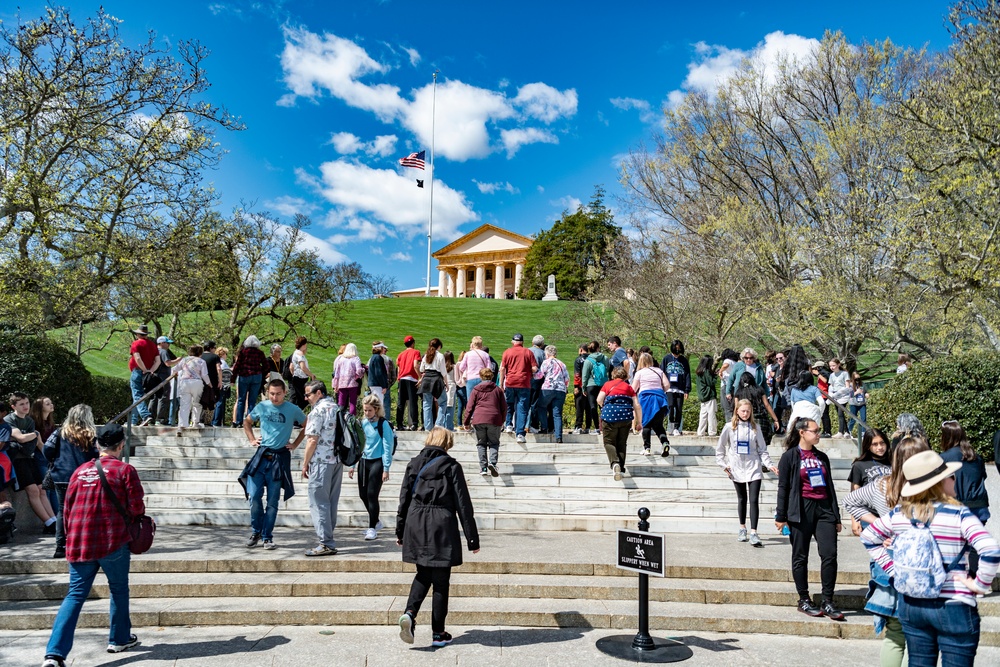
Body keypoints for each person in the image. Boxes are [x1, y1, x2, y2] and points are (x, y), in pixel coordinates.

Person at [861, 450, 999, 667]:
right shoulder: (959, 515)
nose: (955, 480)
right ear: (940, 482)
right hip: (953, 604)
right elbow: (991, 550)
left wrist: (893, 571)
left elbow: (869, 537)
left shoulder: (899, 513)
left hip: (912, 603)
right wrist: (980, 584)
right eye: (951, 476)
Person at [41, 424, 144, 667]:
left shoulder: (79, 472)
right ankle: (118, 638)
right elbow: (137, 508)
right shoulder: (125, 471)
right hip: (112, 539)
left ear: (97, 445)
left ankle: (54, 654)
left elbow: (67, 508)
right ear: (121, 446)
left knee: (75, 594)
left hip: (80, 542)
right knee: (118, 589)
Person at [843, 436, 929, 667]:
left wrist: (880, 524)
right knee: (923, 636)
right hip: (922, 565)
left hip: (888, 562)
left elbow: (850, 501)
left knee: (895, 634)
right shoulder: (931, 488)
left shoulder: (883, 484)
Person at [396, 427, 479, 648]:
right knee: (441, 580)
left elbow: (403, 497)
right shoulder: (452, 466)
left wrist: (399, 529)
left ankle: (410, 613)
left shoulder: (414, 463)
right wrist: (472, 538)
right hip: (441, 524)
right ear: (447, 443)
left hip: (415, 521)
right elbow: (463, 503)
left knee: (423, 573)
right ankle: (438, 633)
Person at [774, 417, 845, 621]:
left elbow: (829, 486)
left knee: (829, 554)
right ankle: (804, 599)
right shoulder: (789, 457)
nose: (818, 434)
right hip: (800, 509)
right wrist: (781, 516)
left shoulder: (822, 457)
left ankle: (828, 600)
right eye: (814, 431)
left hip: (824, 509)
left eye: (818, 430)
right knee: (800, 556)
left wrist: (836, 516)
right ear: (802, 433)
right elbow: (783, 488)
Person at [239, 379, 306, 550]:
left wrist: (295, 444)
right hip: (261, 456)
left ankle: (267, 536)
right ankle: (256, 531)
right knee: (253, 496)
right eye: (272, 394)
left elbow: (307, 425)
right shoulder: (262, 406)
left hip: (279, 458)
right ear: (268, 393)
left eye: (278, 394)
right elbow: (247, 422)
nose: (275, 397)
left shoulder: (293, 409)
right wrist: (252, 439)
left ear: (284, 393)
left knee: (272, 501)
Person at [716, 399, 778, 547]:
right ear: (737, 411)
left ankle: (754, 532)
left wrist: (769, 465)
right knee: (742, 498)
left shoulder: (755, 427)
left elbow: (762, 449)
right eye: (743, 411)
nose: (745, 413)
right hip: (736, 469)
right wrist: (724, 465)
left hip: (753, 467)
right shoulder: (729, 427)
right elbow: (720, 450)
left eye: (748, 411)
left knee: (754, 499)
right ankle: (742, 527)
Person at [43, 405, 99, 560]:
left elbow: (47, 449)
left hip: (61, 476)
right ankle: (82, 544)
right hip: (84, 477)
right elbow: (97, 455)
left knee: (62, 511)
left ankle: (60, 546)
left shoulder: (60, 432)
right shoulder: (91, 435)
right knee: (85, 511)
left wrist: (56, 461)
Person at [939, 420, 991, 578]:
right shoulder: (976, 456)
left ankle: (957, 579)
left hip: (957, 507)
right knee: (975, 544)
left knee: (955, 545)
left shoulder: (944, 458)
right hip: (980, 506)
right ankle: (974, 578)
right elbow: (983, 476)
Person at [300, 380, 343, 557]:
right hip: (337, 460)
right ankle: (328, 538)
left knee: (318, 502)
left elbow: (312, 439)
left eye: (309, 394)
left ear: (319, 393)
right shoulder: (337, 407)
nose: (306, 397)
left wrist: (305, 463)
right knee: (331, 501)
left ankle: (326, 542)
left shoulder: (318, 410)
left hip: (320, 461)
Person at [5, 392, 57, 532]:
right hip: (17, 461)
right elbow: (21, 438)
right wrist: (34, 434)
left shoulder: (29, 421)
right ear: (13, 406)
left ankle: (55, 521)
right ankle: (48, 523)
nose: (25, 406)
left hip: (29, 458)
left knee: (42, 489)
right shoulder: (9, 420)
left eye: (27, 403)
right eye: (21, 404)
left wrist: (28, 439)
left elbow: (30, 445)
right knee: (33, 490)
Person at [349, 394, 393, 541]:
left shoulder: (383, 424)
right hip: (364, 461)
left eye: (370, 410)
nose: (367, 413)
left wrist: (386, 468)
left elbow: (388, 446)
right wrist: (353, 465)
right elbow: (359, 445)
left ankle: (372, 528)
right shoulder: (363, 423)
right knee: (363, 495)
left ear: (376, 409)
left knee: (372, 495)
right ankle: (376, 521)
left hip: (378, 462)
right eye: (365, 410)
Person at [597, 366, 640, 481]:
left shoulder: (607, 385)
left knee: (609, 442)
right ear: (625, 376)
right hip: (625, 418)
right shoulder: (629, 388)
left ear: (613, 375)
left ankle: (615, 463)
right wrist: (639, 422)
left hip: (609, 417)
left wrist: (604, 407)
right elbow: (637, 405)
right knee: (621, 443)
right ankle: (621, 468)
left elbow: (599, 399)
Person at [464, 368, 507, 476]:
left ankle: (483, 468)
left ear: (481, 376)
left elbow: (469, 407)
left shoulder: (476, 389)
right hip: (494, 419)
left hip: (479, 419)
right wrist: (502, 420)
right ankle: (492, 463)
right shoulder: (497, 390)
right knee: (494, 442)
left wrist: (466, 422)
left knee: (481, 443)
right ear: (492, 376)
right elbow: (504, 407)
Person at [499, 333, 538, 444]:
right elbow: (534, 368)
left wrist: (501, 384)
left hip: (510, 382)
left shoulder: (507, 352)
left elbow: (502, 369)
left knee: (509, 404)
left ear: (513, 342)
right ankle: (520, 433)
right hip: (524, 383)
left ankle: (508, 425)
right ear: (522, 342)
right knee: (522, 408)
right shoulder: (528, 352)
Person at [630, 353, 671, 456]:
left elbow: (633, 389)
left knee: (646, 424)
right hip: (660, 399)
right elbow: (667, 385)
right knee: (658, 425)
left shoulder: (639, 373)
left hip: (646, 399)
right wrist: (660, 389)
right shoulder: (659, 371)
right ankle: (665, 442)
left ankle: (647, 448)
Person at [127, 324, 160, 426]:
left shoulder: (136, 344)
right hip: (148, 373)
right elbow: (158, 361)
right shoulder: (153, 345)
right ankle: (132, 421)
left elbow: (137, 358)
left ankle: (146, 416)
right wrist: (150, 371)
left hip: (138, 371)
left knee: (137, 395)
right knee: (137, 396)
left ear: (138, 334)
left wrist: (144, 369)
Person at [30, 396, 59, 512]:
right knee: (46, 489)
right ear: (40, 407)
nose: (51, 405)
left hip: (49, 458)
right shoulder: (34, 423)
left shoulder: (50, 423)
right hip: (40, 458)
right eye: (47, 404)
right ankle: (51, 520)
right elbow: (39, 444)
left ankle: (57, 518)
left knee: (53, 488)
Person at [536, 345, 569, 443]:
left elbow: (539, 375)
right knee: (557, 413)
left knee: (541, 406)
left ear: (547, 353)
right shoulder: (562, 364)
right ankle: (558, 436)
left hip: (548, 388)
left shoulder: (546, 362)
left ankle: (544, 427)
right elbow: (566, 379)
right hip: (560, 389)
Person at [174, 344, 210, 435]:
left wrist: (176, 374)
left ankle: (181, 425)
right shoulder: (201, 361)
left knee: (184, 404)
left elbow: (174, 369)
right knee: (197, 403)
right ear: (200, 352)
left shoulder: (184, 360)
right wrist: (209, 384)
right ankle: (195, 422)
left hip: (184, 382)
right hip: (197, 382)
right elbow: (204, 375)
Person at [231, 336, 266, 428]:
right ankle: (249, 421)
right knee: (252, 401)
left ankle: (238, 421)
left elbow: (237, 366)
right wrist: (260, 371)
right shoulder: (260, 353)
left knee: (241, 400)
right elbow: (266, 365)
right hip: (256, 377)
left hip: (244, 375)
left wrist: (233, 379)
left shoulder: (243, 352)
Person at [661, 340, 691, 436]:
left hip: (680, 388)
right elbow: (662, 372)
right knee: (670, 406)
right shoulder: (667, 358)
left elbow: (687, 374)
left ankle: (676, 428)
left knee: (678, 408)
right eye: (676, 347)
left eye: (679, 347)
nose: (677, 349)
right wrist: (662, 386)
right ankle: (671, 424)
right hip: (669, 387)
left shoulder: (684, 360)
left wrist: (687, 389)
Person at [147, 336, 178, 426]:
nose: (169, 345)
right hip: (163, 378)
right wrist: (178, 360)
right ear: (161, 343)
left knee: (154, 397)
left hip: (154, 377)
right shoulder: (164, 351)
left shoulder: (153, 351)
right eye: (167, 343)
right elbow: (168, 363)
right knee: (163, 397)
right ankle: (160, 419)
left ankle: (150, 418)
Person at [418, 338, 448, 430]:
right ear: (439, 346)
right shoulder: (440, 356)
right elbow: (443, 371)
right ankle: (438, 423)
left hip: (427, 378)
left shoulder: (426, 355)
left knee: (426, 404)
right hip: (437, 379)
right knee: (443, 402)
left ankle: (428, 427)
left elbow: (421, 369)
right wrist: (446, 383)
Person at [581, 341, 609, 435]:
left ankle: (597, 428)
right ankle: (605, 426)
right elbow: (608, 369)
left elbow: (585, 375)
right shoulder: (605, 358)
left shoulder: (588, 360)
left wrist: (583, 388)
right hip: (603, 385)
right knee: (603, 406)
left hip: (591, 385)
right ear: (598, 348)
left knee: (592, 406)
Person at [396, 336, 422, 430]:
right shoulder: (416, 352)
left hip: (402, 378)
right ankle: (414, 423)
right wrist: (420, 376)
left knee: (401, 402)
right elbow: (415, 365)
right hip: (412, 379)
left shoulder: (401, 354)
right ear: (413, 343)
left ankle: (399, 424)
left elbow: (398, 368)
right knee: (413, 402)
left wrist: (399, 379)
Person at [333, 342, 365, 415]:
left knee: (341, 403)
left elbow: (336, 373)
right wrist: (363, 370)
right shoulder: (356, 359)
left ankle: (339, 418)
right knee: (352, 403)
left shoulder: (340, 359)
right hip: (353, 384)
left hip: (341, 383)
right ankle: (352, 420)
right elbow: (359, 371)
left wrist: (335, 385)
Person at [200, 341, 224, 427]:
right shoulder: (215, 357)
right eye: (214, 348)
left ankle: (198, 419)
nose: (215, 349)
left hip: (200, 381)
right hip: (212, 382)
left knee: (200, 401)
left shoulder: (200, 356)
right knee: (211, 401)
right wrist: (220, 381)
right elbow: (219, 369)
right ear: (210, 348)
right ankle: (207, 421)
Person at [288, 337, 316, 410]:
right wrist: (311, 375)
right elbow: (303, 367)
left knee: (300, 399)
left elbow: (291, 367)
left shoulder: (295, 352)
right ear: (304, 344)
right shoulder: (300, 354)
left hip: (297, 378)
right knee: (304, 400)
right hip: (301, 379)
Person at [695, 355, 718, 438]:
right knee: (711, 414)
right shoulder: (707, 371)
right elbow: (711, 382)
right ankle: (712, 431)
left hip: (702, 395)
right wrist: (716, 375)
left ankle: (700, 431)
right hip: (709, 395)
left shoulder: (699, 371)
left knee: (703, 414)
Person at [827, 359, 851, 438]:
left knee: (840, 413)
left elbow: (847, 386)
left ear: (838, 364)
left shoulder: (844, 373)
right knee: (839, 414)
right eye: (830, 366)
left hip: (843, 395)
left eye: (833, 365)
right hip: (835, 396)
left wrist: (838, 393)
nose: (832, 367)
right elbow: (831, 386)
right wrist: (831, 394)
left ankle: (840, 431)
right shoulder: (832, 375)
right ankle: (846, 431)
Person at [527, 335, 547, 431]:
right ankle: (533, 425)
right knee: (534, 403)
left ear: (532, 342)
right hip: (537, 381)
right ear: (542, 344)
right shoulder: (543, 353)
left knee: (525, 402)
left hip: (526, 380)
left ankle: (524, 424)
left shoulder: (526, 351)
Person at [572, 344, 593, 434]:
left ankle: (578, 426)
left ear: (581, 350)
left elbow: (577, 374)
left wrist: (576, 386)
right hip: (591, 385)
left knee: (579, 407)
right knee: (589, 407)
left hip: (581, 386)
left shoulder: (578, 359)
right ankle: (588, 426)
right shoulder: (592, 359)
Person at [366, 341, 391, 410]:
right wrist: (384, 386)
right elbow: (379, 373)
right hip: (377, 385)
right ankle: (377, 419)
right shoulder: (378, 358)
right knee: (378, 404)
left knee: (376, 403)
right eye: (382, 347)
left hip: (374, 384)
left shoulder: (374, 357)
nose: (384, 349)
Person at [812, 361, 833, 437]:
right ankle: (825, 430)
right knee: (823, 414)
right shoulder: (821, 373)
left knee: (825, 414)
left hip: (825, 395)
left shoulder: (824, 373)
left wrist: (818, 374)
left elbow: (825, 381)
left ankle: (828, 431)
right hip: (821, 395)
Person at [442, 351, 459, 431]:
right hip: (451, 387)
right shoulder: (454, 367)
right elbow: (456, 379)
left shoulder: (442, 366)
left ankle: (443, 425)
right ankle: (449, 426)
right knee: (450, 408)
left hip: (443, 387)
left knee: (443, 408)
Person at [848, 372, 868, 436]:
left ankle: (863, 432)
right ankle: (849, 431)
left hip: (862, 403)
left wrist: (866, 394)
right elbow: (850, 395)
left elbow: (865, 392)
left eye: (859, 379)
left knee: (863, 418)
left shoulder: (862, 384)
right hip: (853, 403)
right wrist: (856, 392)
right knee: (853, 418)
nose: (857, 380)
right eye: (856, 379)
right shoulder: (850, 385)